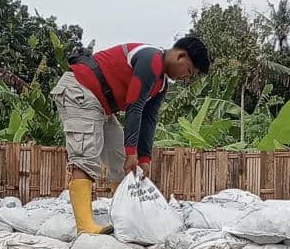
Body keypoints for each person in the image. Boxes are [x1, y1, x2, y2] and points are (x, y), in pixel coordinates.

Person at [51, 37, 211, 234]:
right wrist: (131, 153)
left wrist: (144, 158)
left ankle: (124, 217)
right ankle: (85, 226)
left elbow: (149, 119)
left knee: (120, 162)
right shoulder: (150, 59)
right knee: (86, 156)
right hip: (81, 90)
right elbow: (134, 106)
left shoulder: (161, 85)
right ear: (181, 57)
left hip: (101, 105)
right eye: (189, 72)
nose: (186, 78)